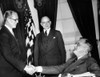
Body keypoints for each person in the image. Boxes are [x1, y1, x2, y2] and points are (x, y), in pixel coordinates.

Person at [32, 38, 100, 77]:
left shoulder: (90, 61)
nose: (74, 46)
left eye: (78, 44)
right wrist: (37, 69)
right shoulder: (72, 60)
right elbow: (59, 69)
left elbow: (97, 74)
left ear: (86, 48)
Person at [0, 10, 35, 77]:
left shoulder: (9, 32)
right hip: (8, 72)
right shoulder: (3, 34)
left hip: (15, 70)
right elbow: (8, 54)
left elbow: (15, 53)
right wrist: (25, 67)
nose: (17, 22)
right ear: (8, 19)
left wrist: (25, 65)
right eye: (15, 20)